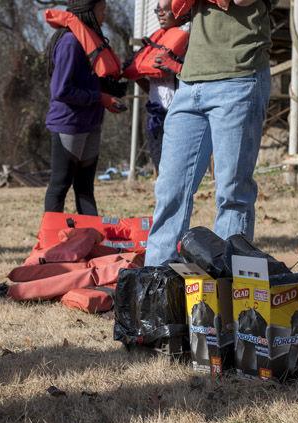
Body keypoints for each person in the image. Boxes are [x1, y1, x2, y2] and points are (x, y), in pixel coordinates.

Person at [144, 0, 273, 266]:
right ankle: (155, 285)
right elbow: (172, 7)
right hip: (191, 82)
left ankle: (229, 287)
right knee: (170, 190)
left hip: (239, 76)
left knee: (232, 193)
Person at [44, 0, 126, 217]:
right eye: (102, 9)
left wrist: (111, 93)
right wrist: (99, 98)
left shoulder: (90, 40)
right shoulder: (70, 42)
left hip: (91, 123)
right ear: (88, 11)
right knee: (60, 185)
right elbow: (61, 90)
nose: (105, 14)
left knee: (85, 188)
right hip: (68, 124)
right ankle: (51, 243)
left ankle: (90, 239)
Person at [125, 0, 190, 174]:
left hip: (180, 116)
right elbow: (155, 87)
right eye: (157, 10)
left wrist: (175, 66)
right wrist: (137, 75)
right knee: (161, 171)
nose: (160, 14)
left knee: (176, 174)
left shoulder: (189, 41)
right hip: (155, 115)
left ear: (180, 11)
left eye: (165, 10)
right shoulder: (157, 41)